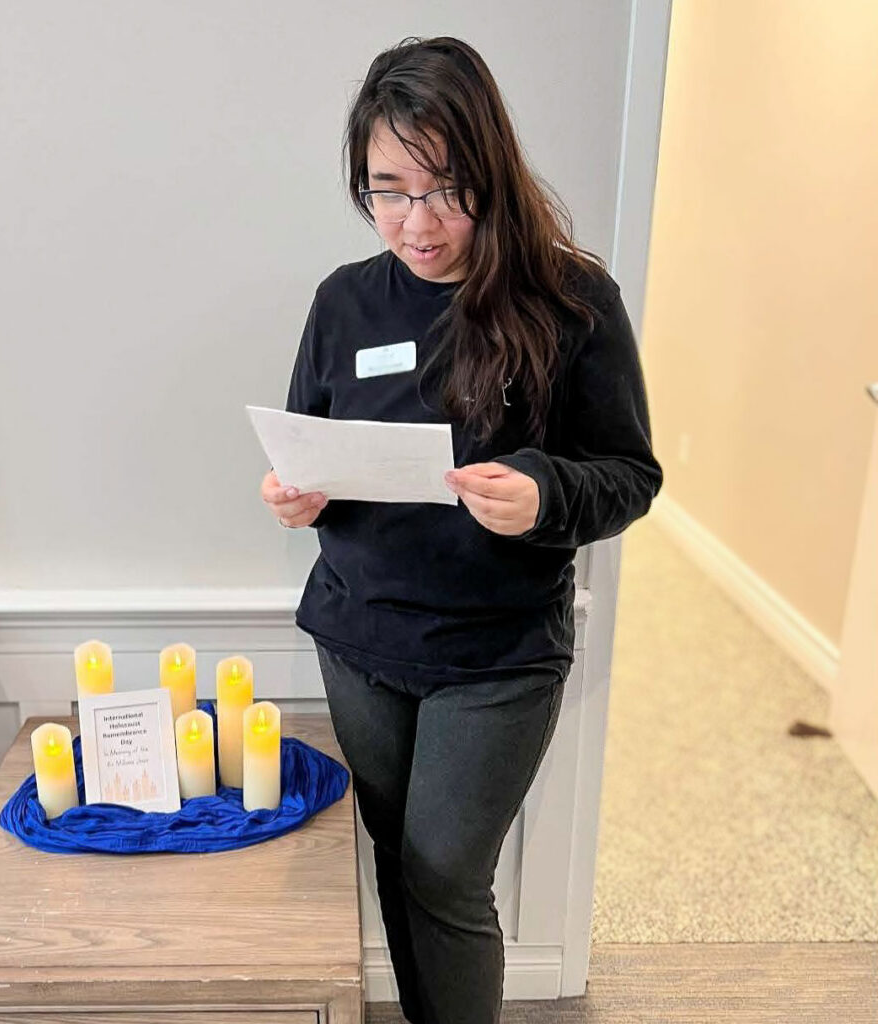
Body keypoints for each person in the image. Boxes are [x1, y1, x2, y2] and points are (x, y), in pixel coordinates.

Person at [259, 35, 663, 1024]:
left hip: (495, 653)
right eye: (386, 190)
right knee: (398, 860)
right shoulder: (344, 301)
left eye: (445, 188)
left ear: (491, 170)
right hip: (360, 637)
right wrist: (296, 492)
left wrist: (543, 493)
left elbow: (630, 475)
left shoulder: (572, 302)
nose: (417, 222)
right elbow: (305, 442)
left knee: (446, 872)